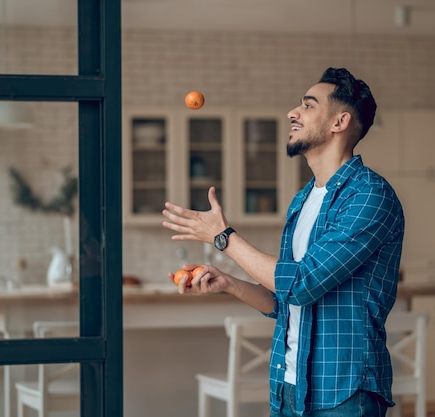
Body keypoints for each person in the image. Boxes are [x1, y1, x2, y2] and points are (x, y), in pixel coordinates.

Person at [162, 67, 404, 417]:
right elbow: (286, 301)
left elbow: (303, 284)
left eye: (307, 106)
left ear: (340, 122)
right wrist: (229, 283)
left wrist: (223, 237)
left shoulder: (369, 196)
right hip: (290, 386)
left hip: (343, 392)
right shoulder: (303, 200)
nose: (293, 113)